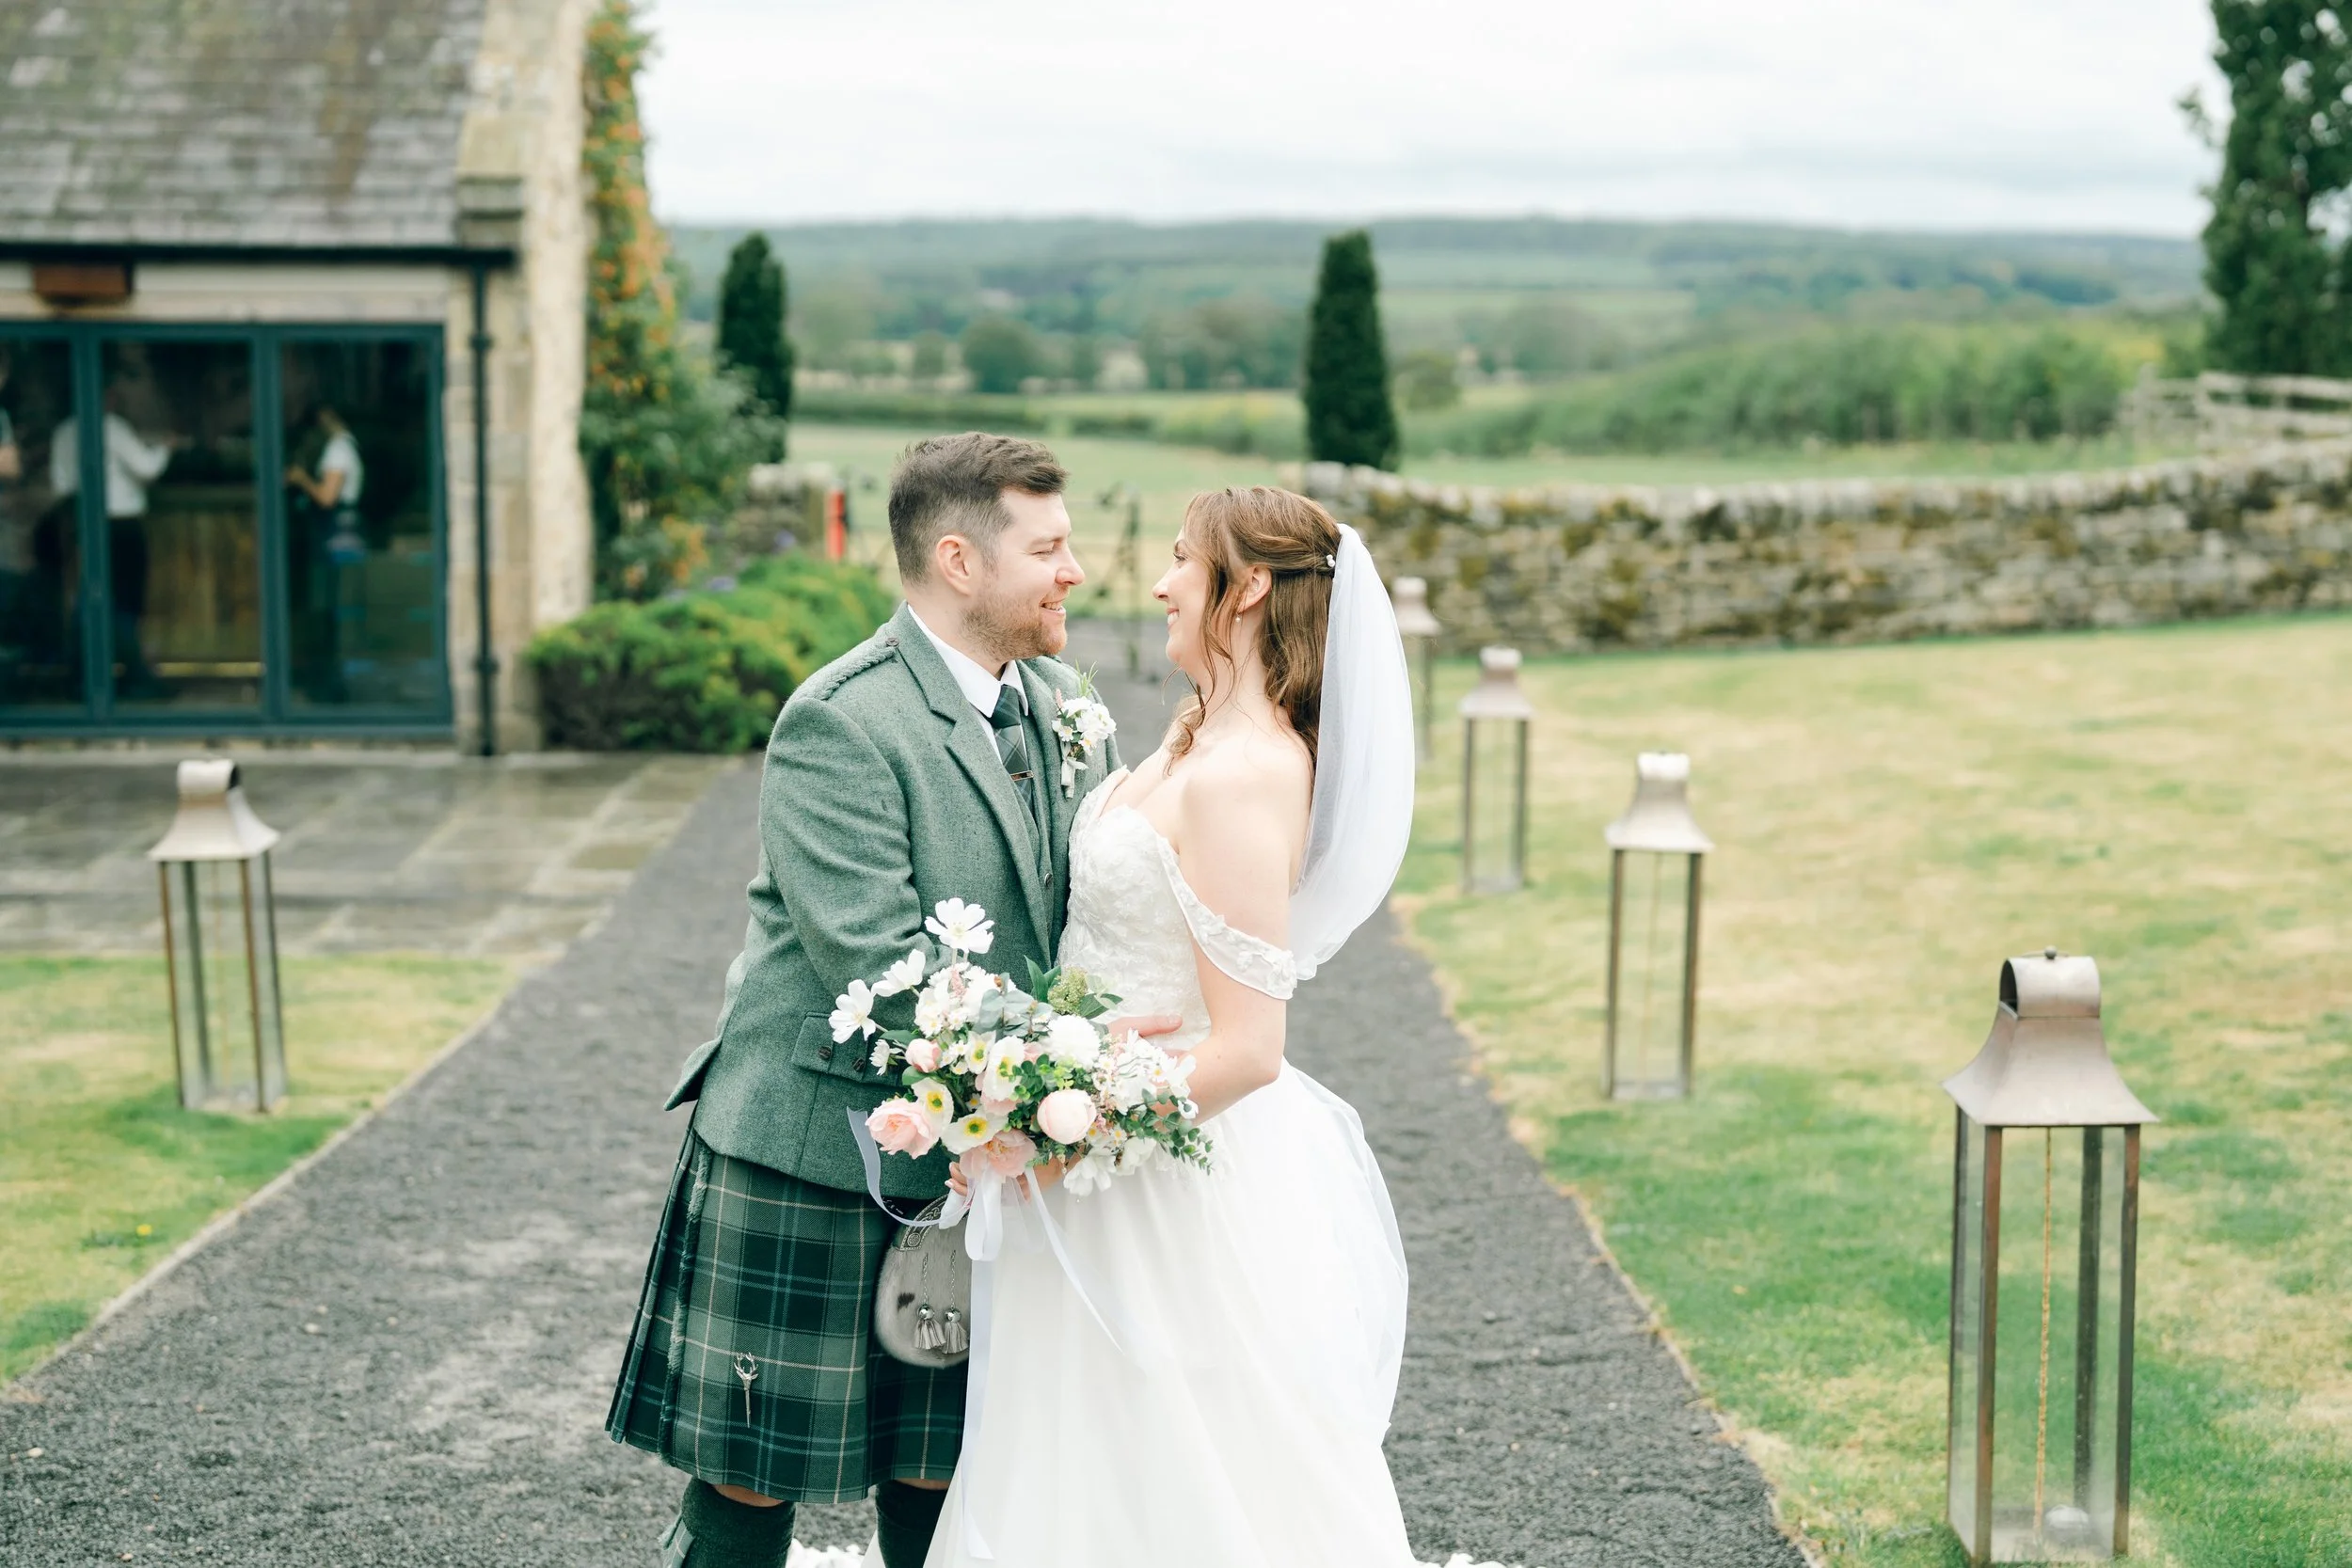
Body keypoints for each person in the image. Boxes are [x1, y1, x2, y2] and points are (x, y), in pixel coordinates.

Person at [605, 433, 1176, 1568]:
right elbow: (877, 966)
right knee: (752, 1470)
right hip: (816, 1143)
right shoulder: (840, 722)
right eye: (1049, 548)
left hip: (992, 1144)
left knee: (947, 1456)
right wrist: (1074, 1066)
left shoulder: (1068, 701)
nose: (1076, 572)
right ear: (959, 561)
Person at [922, 486, 1421, 1567]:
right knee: (1071, 1467)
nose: (1158, 582)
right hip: (1097, 1156)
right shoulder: (1195, 736)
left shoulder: (1245, 775)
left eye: (1184, 561)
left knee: (1180, 1470)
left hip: (1159, 1187)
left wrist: (1058, 1130)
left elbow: (1248, 1047)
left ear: (1244, 590)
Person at [48, 388, 181, 695]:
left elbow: (60, 484)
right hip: (120, 526)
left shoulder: (63, 432)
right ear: (105, 397)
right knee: (123, 602)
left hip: (81, 521)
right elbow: (147, 468)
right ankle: (136, 677)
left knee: (89, 597)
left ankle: (83, 675)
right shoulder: (111, 427)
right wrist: (166, 447)